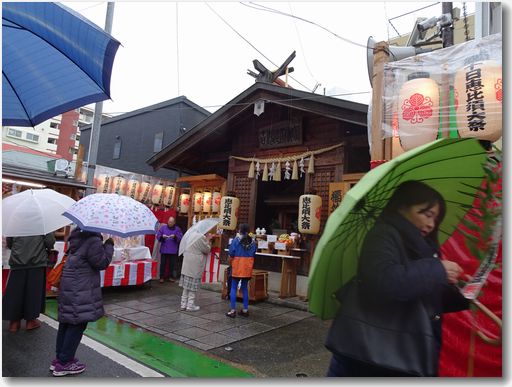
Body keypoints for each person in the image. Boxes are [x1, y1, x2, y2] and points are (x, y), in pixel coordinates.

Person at [325, 180, 469, 377]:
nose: (430, 224)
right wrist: (436, 270)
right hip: (369, 354)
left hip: (400, 352)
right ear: (402, 206)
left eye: (435, 219)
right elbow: (385, 282)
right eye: (426, 214)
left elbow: (421, 296)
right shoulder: (382, 235)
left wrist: (462, 293)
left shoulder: (422, 246)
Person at [51, 227, 114, 377]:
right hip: (81, 288)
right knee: (77, 324)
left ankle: (60, 358)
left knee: (66, 322)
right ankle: (65, 363)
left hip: (69, 286)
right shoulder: (93, 241)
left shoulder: (76, 237)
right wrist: (109, 245)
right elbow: (101, 263)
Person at [3, 233, 56, 332]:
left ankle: (14, 323)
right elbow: (49, 242)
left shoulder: (15, 220)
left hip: (17, 261)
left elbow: (9, 243)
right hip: (37, 261)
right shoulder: (41, 221)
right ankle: (30, 321)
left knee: (15, 291)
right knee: (33, 292)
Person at [226, 223, 256, 318]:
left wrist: (230, 264)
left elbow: (231, 253)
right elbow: (254, 253)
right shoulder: (253, 242)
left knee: (233, 288)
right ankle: (245, 309)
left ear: (239, 230)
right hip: (247, 267)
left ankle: (232, 310)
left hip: (237, 266)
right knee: (244, 288)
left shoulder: (236, 241)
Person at [179, 231, 212, 311]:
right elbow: (207, 250)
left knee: (186, 287)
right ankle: (190, 305)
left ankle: (183, 304)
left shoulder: (189, 234)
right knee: (193, 287)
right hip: (195, 264)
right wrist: (208, 239)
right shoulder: (201, 237)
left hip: (187, 262)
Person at [156, 216, 183, 283]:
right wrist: (162, 236)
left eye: (171, 222)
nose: (170, 223)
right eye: (169, 221)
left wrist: (175, 237)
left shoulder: (177, 229)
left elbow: (180, 237)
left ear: (174, 223)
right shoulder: (163, 228)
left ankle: (170, 277)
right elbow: (158, 235)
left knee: (172, 264)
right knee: (163, 264)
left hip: (173, 249)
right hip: (164, 249)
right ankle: (161, 277)